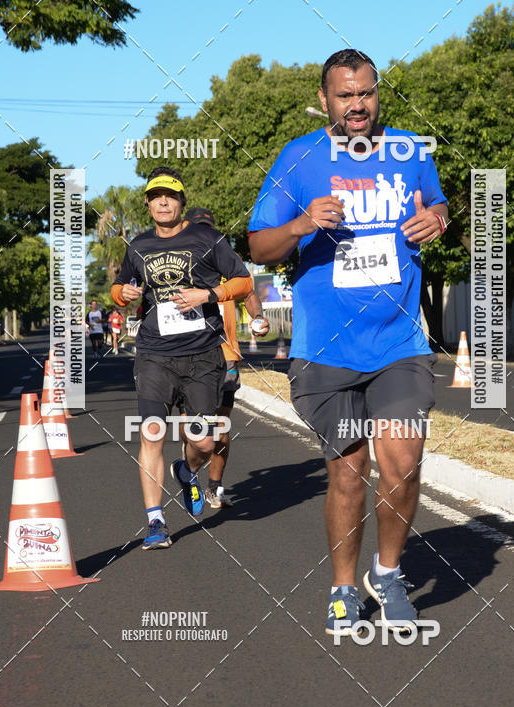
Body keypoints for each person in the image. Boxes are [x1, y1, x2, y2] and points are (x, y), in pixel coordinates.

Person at [248, 49, 448, 637]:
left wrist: (437, 219)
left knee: (404, 461)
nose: (356, 105)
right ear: (324, 99)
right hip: (326, 348)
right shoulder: (300, 157)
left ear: (376, 94)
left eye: (365, 94)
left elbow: (436, 205)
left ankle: (387, 574)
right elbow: (259, 246)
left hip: (399, 343)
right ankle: (341, 585)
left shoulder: (411, 150)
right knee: (347, 472)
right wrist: (302, 225)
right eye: (344, 96)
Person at [110, 167, 253, 550]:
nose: (162, 202)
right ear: (147, 203)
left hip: (203, 356)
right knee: (152, 432)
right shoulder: (138, 246)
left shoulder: (207, 238)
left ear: (181, 202)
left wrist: (207, 296)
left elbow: (244, 281)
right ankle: (155, 522)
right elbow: (120, 286)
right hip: (155, 353)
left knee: (205, 442)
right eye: (156, 196)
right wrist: (122, 294)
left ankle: (186, 471)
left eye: (169, 196)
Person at [184, 207, 269, 508]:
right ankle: (189, 474)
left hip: (226, 357)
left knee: (220, 430)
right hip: (188, 357)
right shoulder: (179, 266)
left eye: (208, 229)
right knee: (196, 432)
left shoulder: (227, 263)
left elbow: (248, 292)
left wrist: (258, 316)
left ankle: (214, 488)